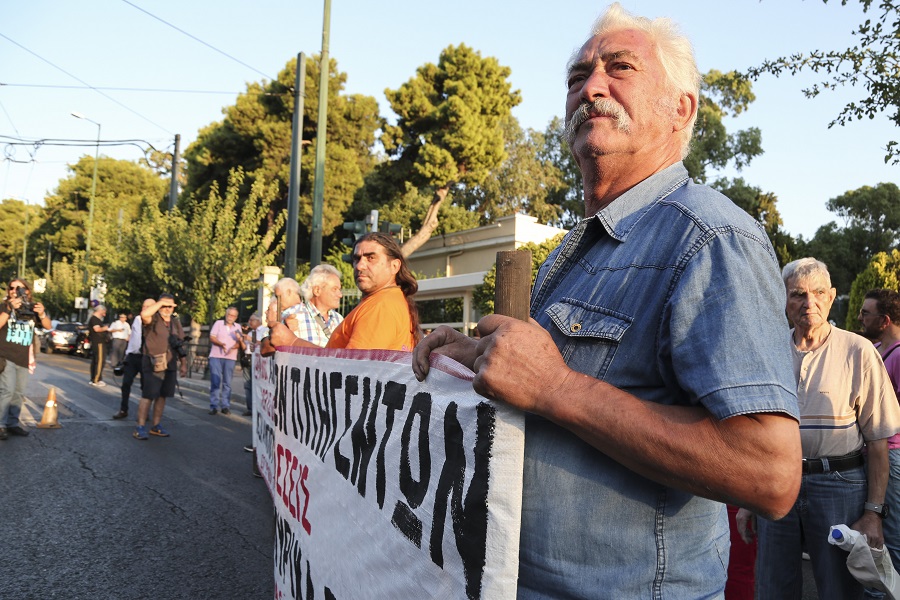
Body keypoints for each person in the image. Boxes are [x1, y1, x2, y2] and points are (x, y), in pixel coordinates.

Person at [410, 5, 802, 597]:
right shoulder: (578, 246)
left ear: (681, 107)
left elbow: (769, 472)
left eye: (620, 68)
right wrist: (479, 356)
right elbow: (540, 388)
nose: (591, 86)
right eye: (577, 76)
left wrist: (556, 388)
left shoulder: (714, 238)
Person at [740, 259, 900, 600]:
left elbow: (878, 442)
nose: (808, 302)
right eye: (798, 294)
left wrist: (873, 514)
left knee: (838, 589)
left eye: (818, 293)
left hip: (839, 486)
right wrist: (748, 499)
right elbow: (755, 431)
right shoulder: (768, 351)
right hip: (777, 482)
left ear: (832, 297)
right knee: (773, 587)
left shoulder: (858, 351)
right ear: (783, 299)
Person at [270, 233, 419, 352]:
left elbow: (349, 370)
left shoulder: (382, 305)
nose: (360, 266)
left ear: (394, 266)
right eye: (356, 259)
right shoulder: (384, 301)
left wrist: (293, 342)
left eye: (371, 258)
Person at [859, 288, 900, 571]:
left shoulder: (899, 356)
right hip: (870, 453)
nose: (860, 317)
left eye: (865, 313)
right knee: (871, 534)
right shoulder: (873, 350)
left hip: (892, 456)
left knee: (892, 535)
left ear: (884, 321)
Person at [0, 279, 52, 440]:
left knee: (18, 392)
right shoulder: (3, 306)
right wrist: (9, 309)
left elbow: (48, 326)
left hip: (23, 357)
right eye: (12, 288)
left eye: (20, 288)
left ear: (27, 291)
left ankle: (12, 424)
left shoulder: (31, 307)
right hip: (5, 354)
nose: (15, 290)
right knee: (7, 390)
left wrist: (42, 313)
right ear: (8, 291)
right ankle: (1, 425)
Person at [133, 293, 187, 440]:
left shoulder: (175, 322)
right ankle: (140, 426)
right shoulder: (153, 318)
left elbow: (180, 344)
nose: (167, 309)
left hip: (169, 363)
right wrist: (160, 303)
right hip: (152, 362)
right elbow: (144, 314)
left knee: (163, 395)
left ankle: (156, 425)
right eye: (165, 305)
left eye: (170, 306)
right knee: (148, 395)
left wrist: (183, 363)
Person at [113, 299, 154, 420]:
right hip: (133, 356)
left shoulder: (156, 322)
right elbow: (133, 337)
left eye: (148, 306)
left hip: (146, 357)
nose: (144, 309)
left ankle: (144, 412)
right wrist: (127, 353)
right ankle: (123, 409)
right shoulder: (137, 319)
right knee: (126, 383)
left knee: (145, 386)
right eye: (143, 306)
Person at [207, 306, 243, 416]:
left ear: (236, 317)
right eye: (229, 314)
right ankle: (214, 405)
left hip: (230, 357)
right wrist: (220, 344)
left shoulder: (238, 327)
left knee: (227, 382)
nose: (230, 317)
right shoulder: (218, 323)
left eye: (233, 315)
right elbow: (212, 337)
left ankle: (225, 406)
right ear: (226, 315)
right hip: (216, 356)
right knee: (215, 381)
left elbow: (240, 342)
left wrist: (234, 347)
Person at [239, 313, 261, 417]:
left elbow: (263, 343)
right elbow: (245, 348)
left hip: (257, 359)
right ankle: (250, 408)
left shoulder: (264, 331)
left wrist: (250, 339)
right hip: (247, 358)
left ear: (258, 321)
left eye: (252, 320)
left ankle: (258, 409)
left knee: (256, 384)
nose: (249, 322)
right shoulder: (251, 333)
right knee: (247, 385)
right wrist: (241, 340)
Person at [87, 305, 110, 387]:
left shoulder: (95, 319)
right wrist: (106, 328)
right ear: (100, 310)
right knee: (100, 361)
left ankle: (94, 378)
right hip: (98, 342)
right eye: (104, 312)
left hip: (98, 342)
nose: (104, 314)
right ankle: (96, 379)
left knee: (96, 360)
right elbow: (97, 329)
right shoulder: (95, 319)